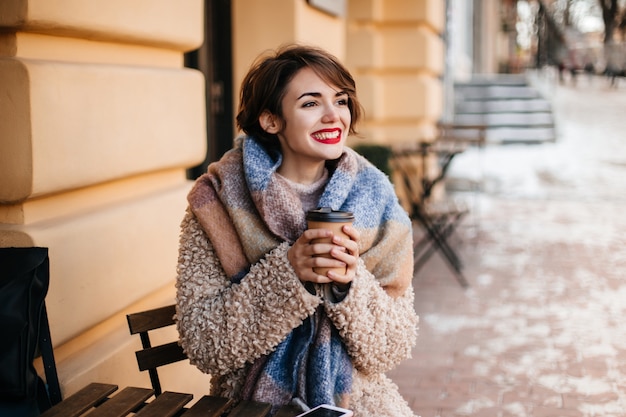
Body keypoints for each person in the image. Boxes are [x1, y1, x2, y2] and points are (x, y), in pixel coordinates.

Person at [175, 44, 419, 417]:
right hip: (252, 405)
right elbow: (205, 343)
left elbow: (393, 346)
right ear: (271, 120)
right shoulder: (218, 203)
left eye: (340, 101)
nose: (333, 116)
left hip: (359, 402)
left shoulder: (376, 198)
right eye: (310, 104)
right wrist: (290, 274)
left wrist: (350, 284)